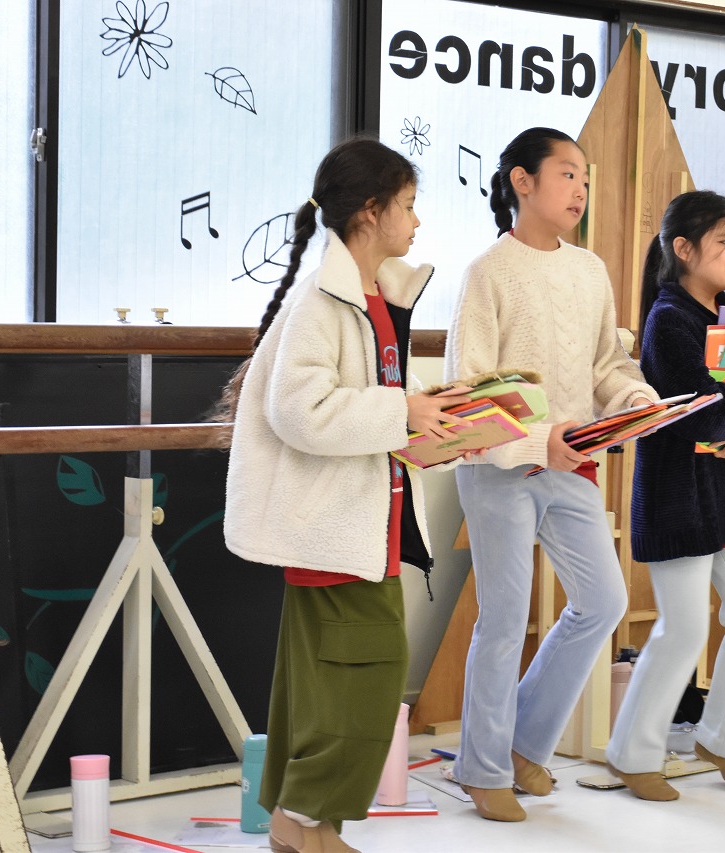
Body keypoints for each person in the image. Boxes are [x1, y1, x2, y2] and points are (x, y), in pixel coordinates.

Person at [220, 137, 472, 852]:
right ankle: (306, 820)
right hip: (336, 529)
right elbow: (300, 410)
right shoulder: (325, 301)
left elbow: (374, 402)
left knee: (323, 683)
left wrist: (438, 416)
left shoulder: (371, 297)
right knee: (366, 678)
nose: (416, 222)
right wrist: (403, 411)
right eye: (408, 205)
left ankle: (300, 821)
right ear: (370, 210)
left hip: (362, 526)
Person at [444, 126, 658, 822]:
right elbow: (468, 396)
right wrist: (540, 438)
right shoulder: (487, 272)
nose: (580, 190)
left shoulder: (590, 270)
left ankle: (521, 744)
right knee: (504, 619)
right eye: (567, 174)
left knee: (603, 601)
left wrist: (634, 399)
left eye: (585, 179)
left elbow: (605, 365)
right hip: (498, 467)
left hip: (572, 462)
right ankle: (482, 769)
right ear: (522, 180)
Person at [603, 190, 725, 800]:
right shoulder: (668, 319)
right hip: (678, 497)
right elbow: (704, 414)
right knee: (683, 629)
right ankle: (632, 754)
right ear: (683, 249)